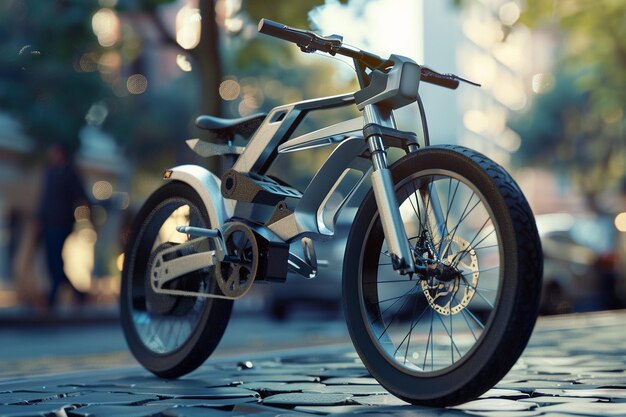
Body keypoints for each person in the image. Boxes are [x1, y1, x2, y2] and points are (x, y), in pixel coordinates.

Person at [35, 143, 90, 310]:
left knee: (56, 261)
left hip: (62, 223)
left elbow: (82, 195)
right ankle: (78, 294)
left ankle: (51, 298)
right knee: (53, 262)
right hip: (48, 223)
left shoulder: (68, 173)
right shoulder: (50, 172)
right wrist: (39, 218)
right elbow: (45, 199)